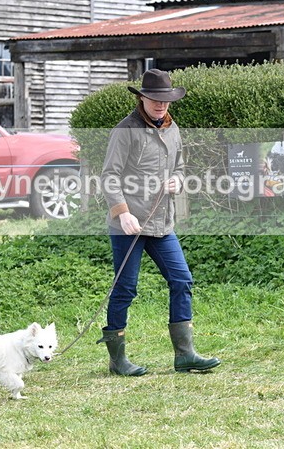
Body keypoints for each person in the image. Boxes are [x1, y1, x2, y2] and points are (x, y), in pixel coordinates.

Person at [97, 68, 221, 376]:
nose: (161, 105)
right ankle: (117, 360)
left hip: (163, 223)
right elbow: (109, 176)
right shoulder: (125, 130)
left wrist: (178, 181)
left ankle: (185, 354)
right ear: (142, 98)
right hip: (129, 224)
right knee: (125, 288)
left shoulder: (173, 128)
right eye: (154, 99)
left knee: (182, 280)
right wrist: (122, 212)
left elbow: (179, 166)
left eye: (166, 100)